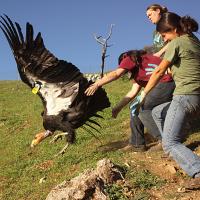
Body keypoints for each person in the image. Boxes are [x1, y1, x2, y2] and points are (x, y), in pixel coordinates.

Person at [140, 12, 200, 189]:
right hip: (197, 96)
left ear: (174, 30)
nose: (164, 40)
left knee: (170, 142)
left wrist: (144, 94)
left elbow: (158, 71)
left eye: (164, 35)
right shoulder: (194, 41)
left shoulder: (177, 42)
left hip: (185, 96)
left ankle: (197, 170)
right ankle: (175, 151)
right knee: (158, 111)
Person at [85, 50, 175, 152]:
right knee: (134, 108)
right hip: (163, 86)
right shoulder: (140, 68)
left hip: (165, 83)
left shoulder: (128, 58)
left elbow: (116, 73)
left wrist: (97, 84)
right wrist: (117, 108)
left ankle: (165, 141)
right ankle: (137, 144)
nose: (126, 71)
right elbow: (133, 92)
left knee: (141, 108)